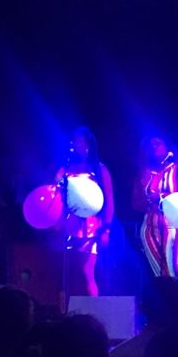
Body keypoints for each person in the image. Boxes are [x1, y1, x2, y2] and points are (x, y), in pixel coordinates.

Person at [56, 127, 114, 297]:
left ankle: (92, 308)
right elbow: (56, 196)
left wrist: (106, 229)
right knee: (67, 272)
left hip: (91, 227)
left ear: (89, 145)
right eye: (74, 141)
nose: (77, 145)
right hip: (67, 224)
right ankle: (68, 309)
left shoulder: (99, 169)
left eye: (81, 141)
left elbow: (109, 201)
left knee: (86, 271)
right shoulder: (65, 169)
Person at [133, 135, 178, 278]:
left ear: (167, 147)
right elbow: (135, 204)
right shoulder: (144, 174)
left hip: (176, 227)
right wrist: (147, 200)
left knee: (176, 273)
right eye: (150, 145)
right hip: (150, 229)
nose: (153, 147)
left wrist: (164, 198)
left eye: (157, 143)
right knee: (160, 275)